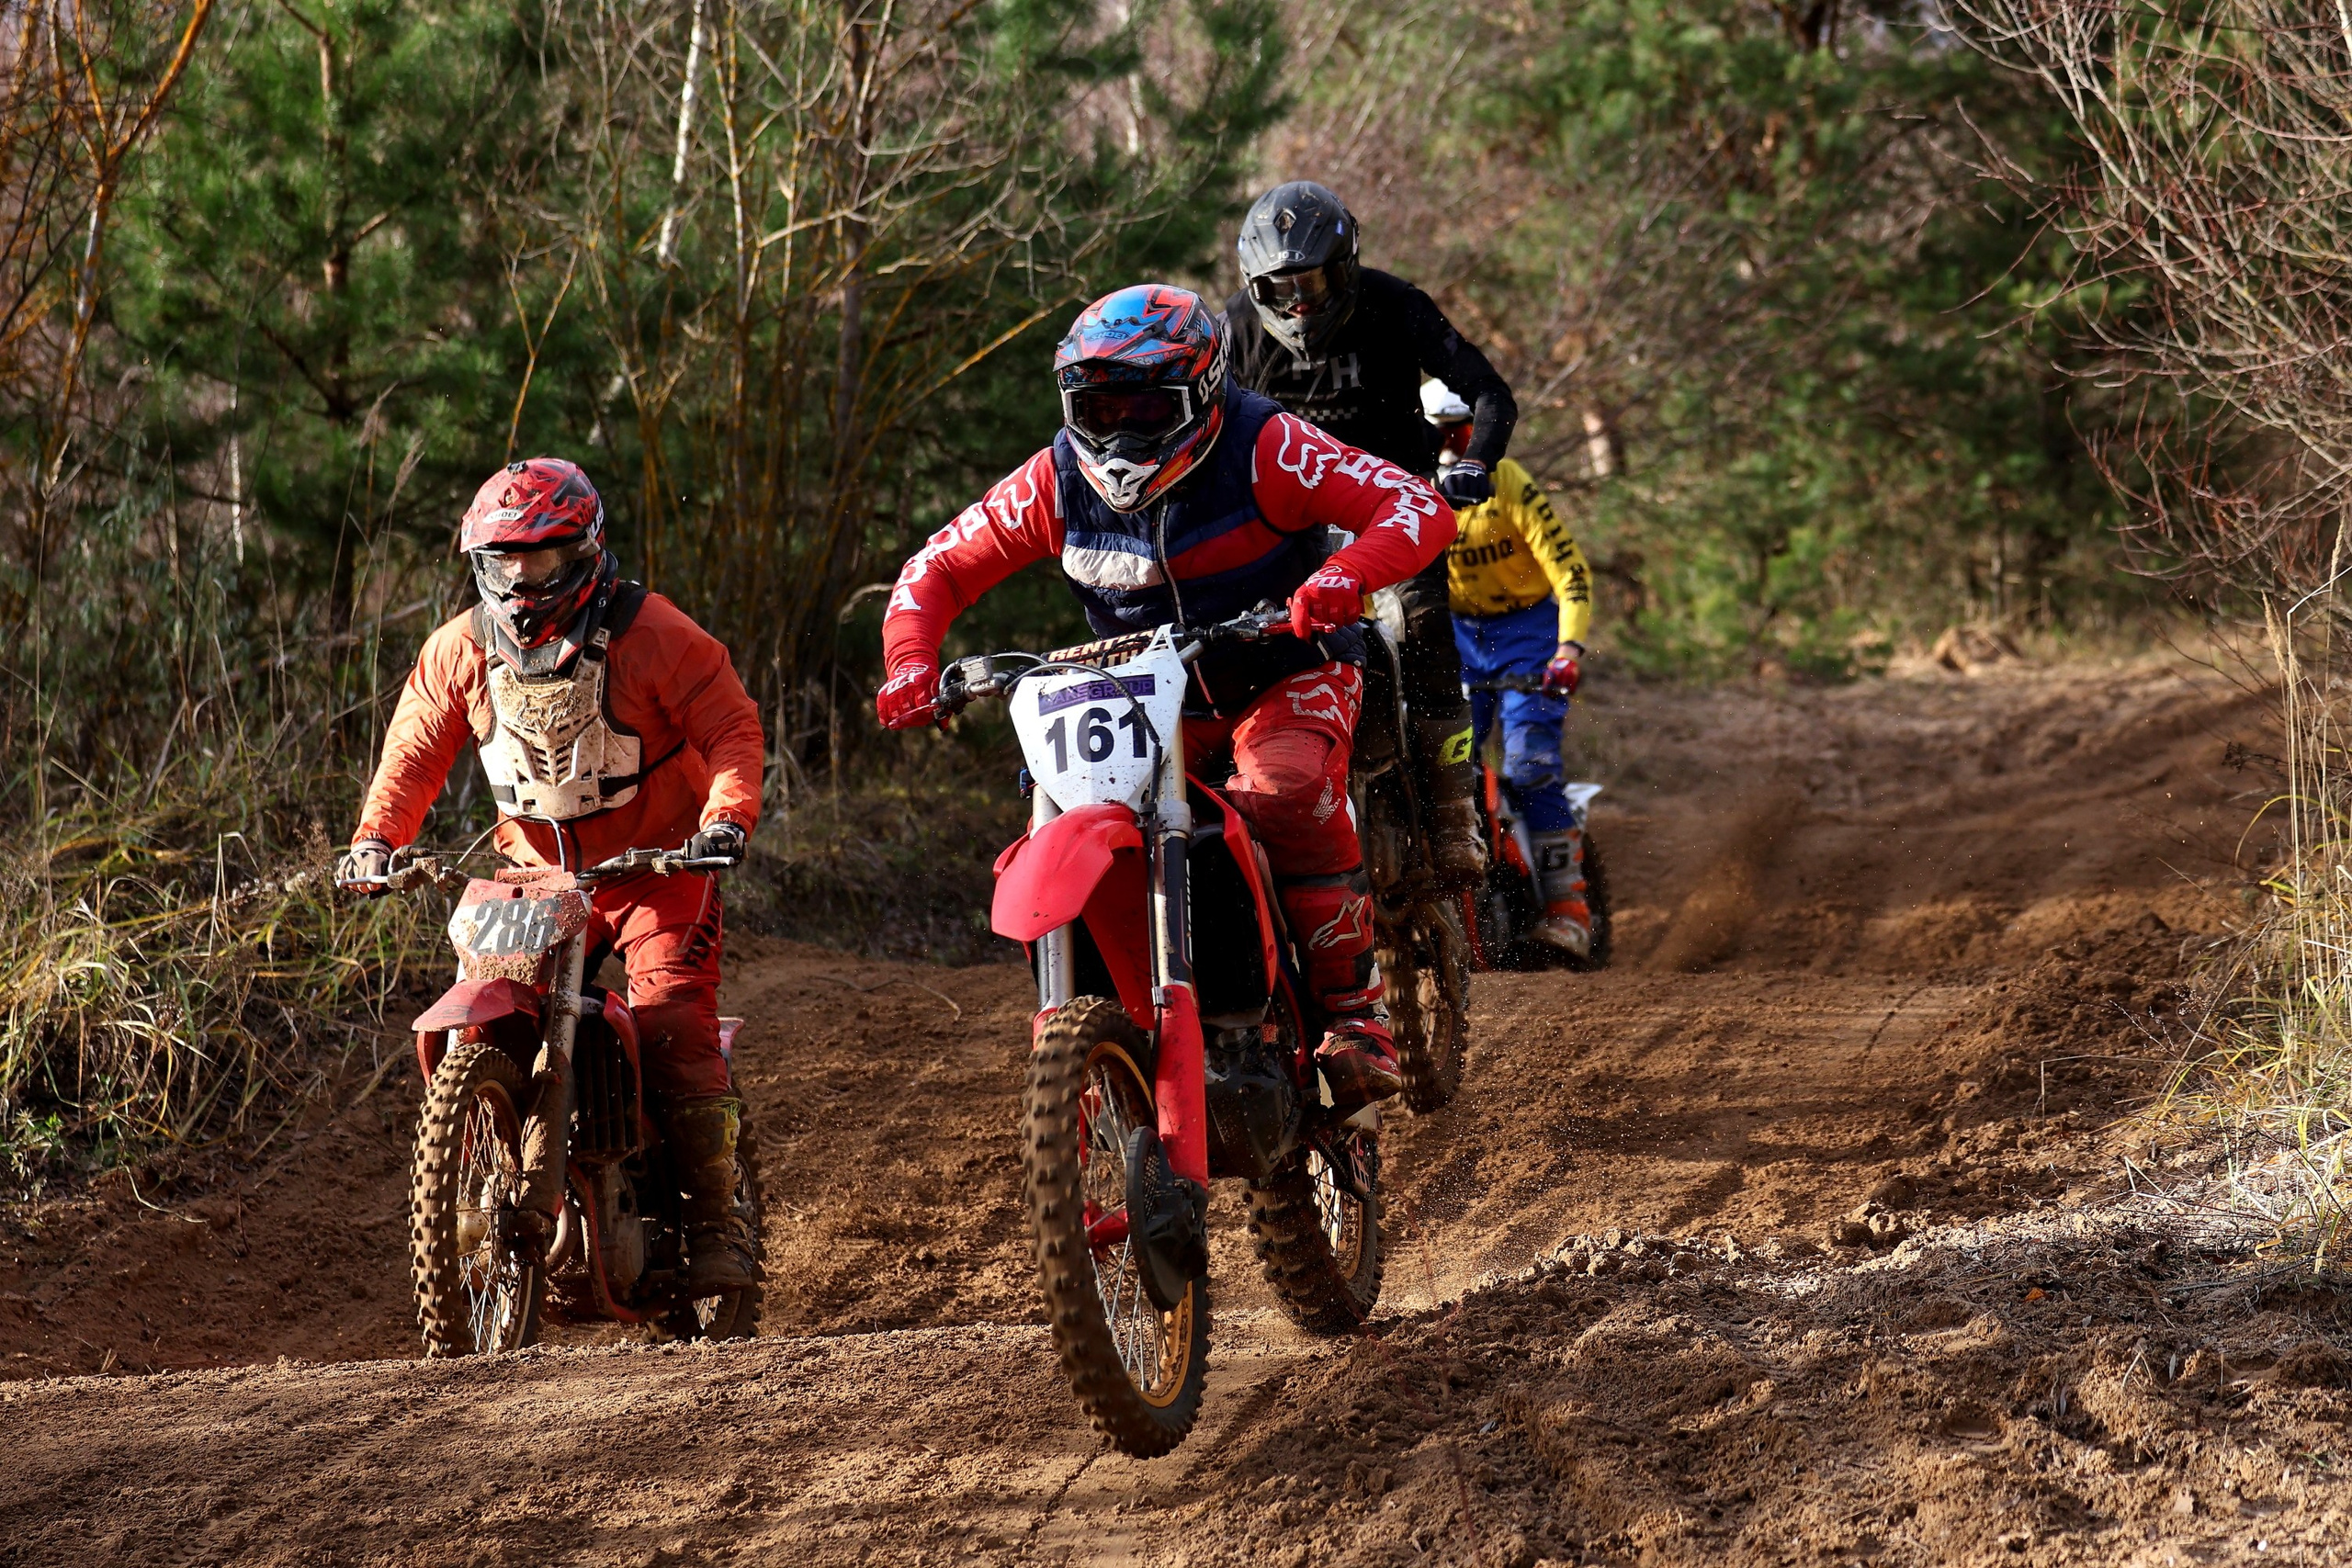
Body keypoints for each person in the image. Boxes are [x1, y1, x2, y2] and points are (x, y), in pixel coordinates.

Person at [874, 284, 1458, 1108]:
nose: (1120, 431)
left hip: (1285, 669)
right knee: (1064, 815)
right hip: (1149, 695)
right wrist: (909, 661)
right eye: (1098, 405)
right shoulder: (1055, 479)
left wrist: (1341, 574)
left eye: (1149, 406)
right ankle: (1100, 1028)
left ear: (1206, 391)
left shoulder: (1268, 447)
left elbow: (1414, 504)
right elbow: (936, 567)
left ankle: (1354, 1012)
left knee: (1284, 792)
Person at [335, 457, 767, 1292]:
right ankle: (495, 1161)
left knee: (673, 1021)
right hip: (532, 875)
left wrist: (726, 818)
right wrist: (375, 840)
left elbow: (731, 728)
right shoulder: (459, 648)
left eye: (541, 557)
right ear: (480, 563)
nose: (522, 578)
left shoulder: (655, 634)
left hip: (658, 864)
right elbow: (415, 747)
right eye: (504, 561)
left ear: (586, 549)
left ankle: (719, 1223)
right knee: (485, 1023)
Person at [1223, 179, 1517, 890]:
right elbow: (1208, 433)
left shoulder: (1396, 305)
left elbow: (1489, 391)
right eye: (1281, 286)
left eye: (1314, 281)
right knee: (1237, 649)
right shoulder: (1234, 330)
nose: (1300, 302)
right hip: (1290, 530)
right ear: (1254, 287)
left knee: (1423, 632)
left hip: (1396, 511)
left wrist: (1474, 462)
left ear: (1346, 267)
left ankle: (1453, 812)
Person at [1425, 379, 1599, 957]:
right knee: (1440, 772)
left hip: (1528, 635)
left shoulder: (1508, 481)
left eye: (1463, 428)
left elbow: (1569, 571)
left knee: (1528, 766)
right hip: (1454, 640)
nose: (1456, 441)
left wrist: (1569, 649)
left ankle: (1568, 909)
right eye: (1444, 431)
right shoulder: (1412, 487)